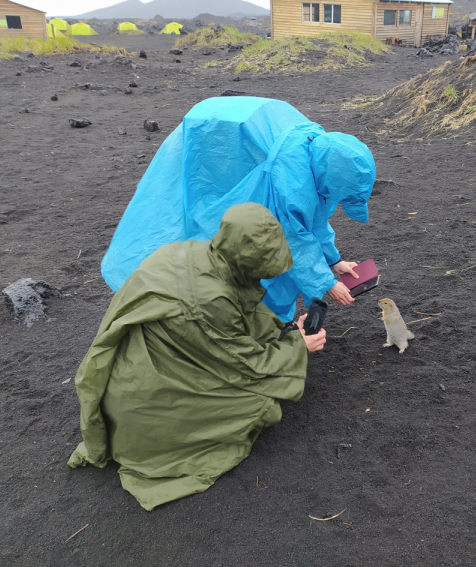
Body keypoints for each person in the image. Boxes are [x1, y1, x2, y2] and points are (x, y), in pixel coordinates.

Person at [68, 203, 326, 511]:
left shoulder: (194, 250)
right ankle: (163, 436)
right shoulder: (210, 299)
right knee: (258, 404)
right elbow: (245, 366)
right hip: (147, 394)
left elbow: (236, 310)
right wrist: (299, 347)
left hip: (138, 360)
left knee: (262, 324)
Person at [100, 97, 376, 323]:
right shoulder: (291, 184)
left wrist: (332, 261)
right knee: (257, 257)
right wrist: (326, 282)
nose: (339, 200)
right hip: (216, 151)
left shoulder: (321, 160)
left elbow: (314, 220)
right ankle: (253, 328)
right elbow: (295, 240)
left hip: (240, 141)